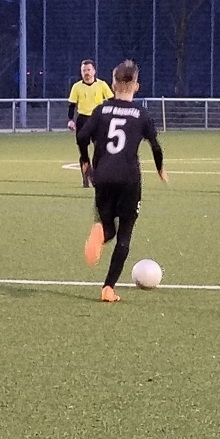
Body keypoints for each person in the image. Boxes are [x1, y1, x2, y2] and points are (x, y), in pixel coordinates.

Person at [77, 59, 167, 303]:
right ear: (136, 86)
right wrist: (160, 168)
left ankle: (101, 233)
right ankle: (108, 288)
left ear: (113, 84)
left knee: (108, 227)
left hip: (102, 177)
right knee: (124, 234)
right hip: (129, 179)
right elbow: (155, 146)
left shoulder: (101, 111)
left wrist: (85, 161)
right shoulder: (141, 114)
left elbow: (82, 135)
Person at [67, 59, 114, 188]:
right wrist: (70, 120)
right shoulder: (77, 87)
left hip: (98, 120)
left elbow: (112, 100)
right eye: (84, 70)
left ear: (94, 71)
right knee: (83, 151)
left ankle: (96, 176)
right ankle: (86, 175)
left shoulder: (102, 85)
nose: (86, 73)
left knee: (100, 148)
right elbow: (72, 105)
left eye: (88, 70)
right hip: (83, 120)